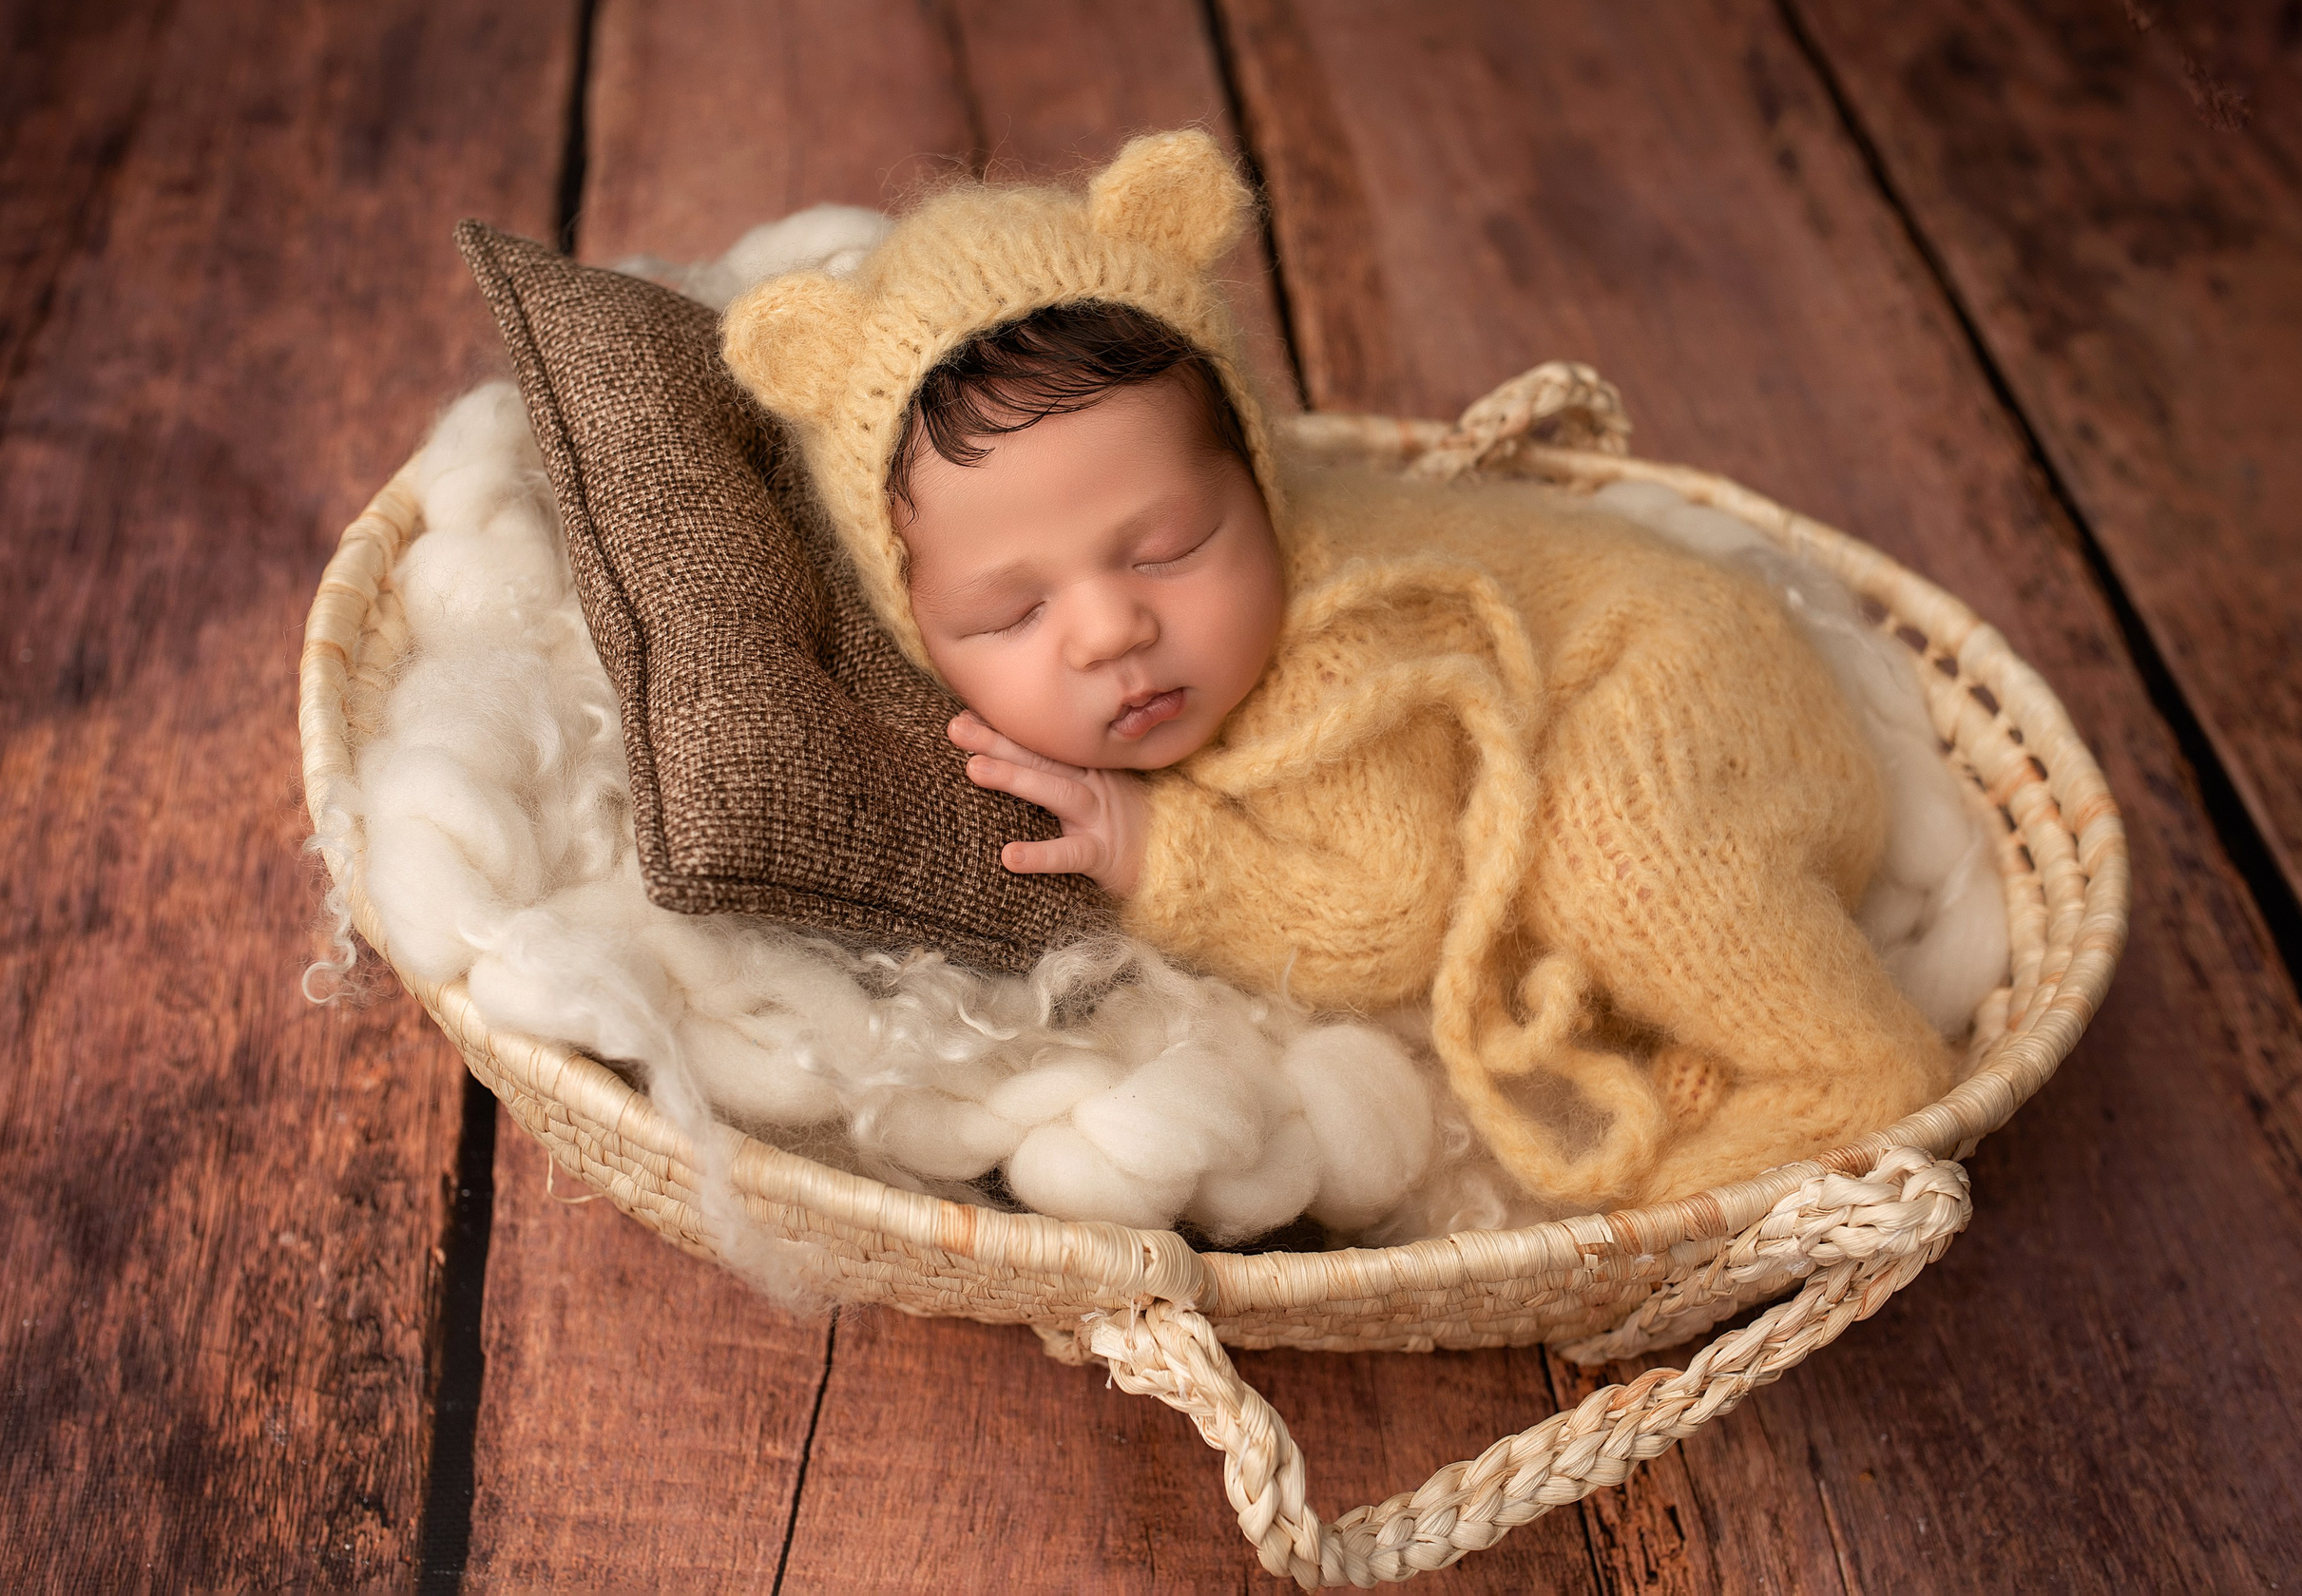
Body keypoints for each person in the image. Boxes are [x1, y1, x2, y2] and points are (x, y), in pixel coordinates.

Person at [722, 130, 1952, 1210]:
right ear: (917, 629)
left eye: (1169, 549)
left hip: (1681, 685)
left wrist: (1161, 852)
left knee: (1618, 861)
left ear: (1262, 482)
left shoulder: (1332, 654)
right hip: (1640, 721)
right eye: (1011, 611)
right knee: (1609, 919)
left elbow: (1388, 920)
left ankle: (1850, 1067)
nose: (1108, 631)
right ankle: (1706, 1024)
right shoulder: (1072, 659)